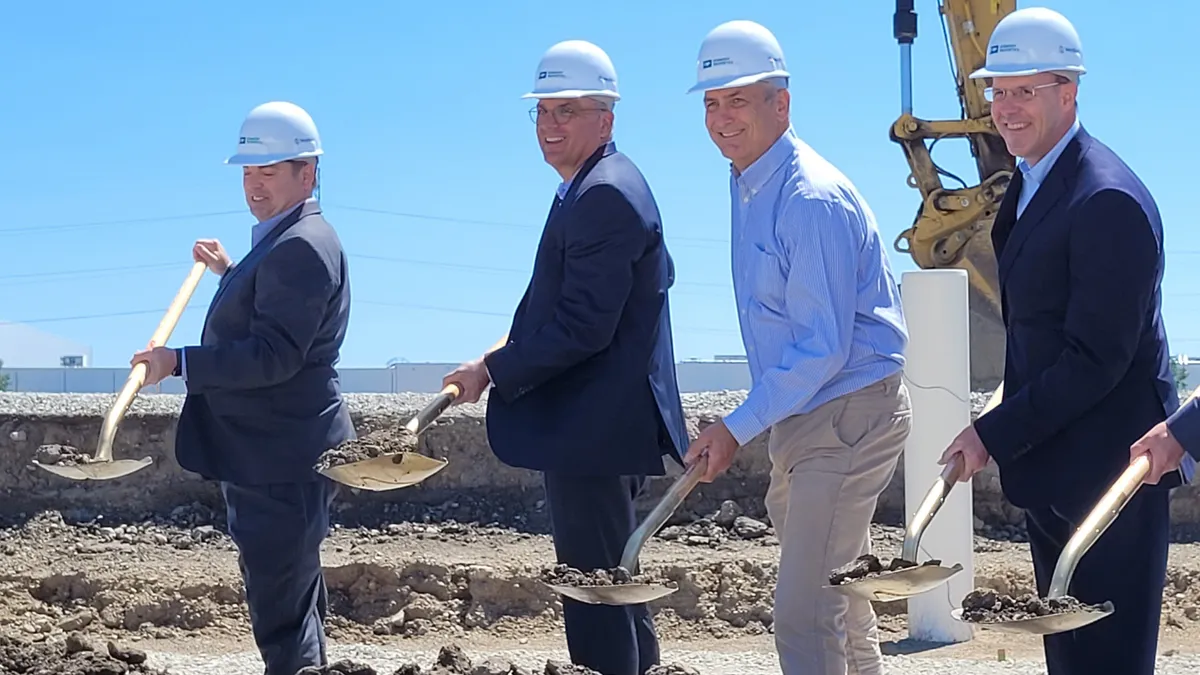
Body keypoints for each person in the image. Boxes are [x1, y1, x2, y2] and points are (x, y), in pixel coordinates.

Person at [935, 8, 1194, 675]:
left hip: (1111, 476)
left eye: (1027, 90)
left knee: (1107, 663)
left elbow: (1095, 359)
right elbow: (1034, 335)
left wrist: (994, 431)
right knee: (1070, 663)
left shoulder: (1108, 199)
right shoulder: (1031, 183)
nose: (1006, 106)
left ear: (1069, 91)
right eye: (999, 89)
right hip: (1055, 471)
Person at [441, 40, 689, 675]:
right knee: (614, 583)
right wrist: (499, 352)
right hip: (602, 425)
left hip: (595, 430)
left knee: (594, 590)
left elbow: (582, 327)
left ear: (605, 118)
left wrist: (496, 369)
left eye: (567, 112)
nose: (550, 126)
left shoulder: (603, 193)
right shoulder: (597, 185)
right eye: (543, 112)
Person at [680, 20, 910, 675]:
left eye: (738, 100)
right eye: (711, 102)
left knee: (805, 617)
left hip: (845, 411)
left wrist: (736, 426)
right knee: (842, 597)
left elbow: (822, 347)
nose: (722, 119)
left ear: (781, 103)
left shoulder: (808, 198)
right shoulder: (750, 180)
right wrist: (753, 419)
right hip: (810, 414)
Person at [131, 100, 354, 675]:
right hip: (281, 453)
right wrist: (232, 272)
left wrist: (177, 361)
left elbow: (275, 354)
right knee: (294, 602)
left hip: (279, 456)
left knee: (282, 616)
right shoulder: (291, 239)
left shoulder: (300, 245)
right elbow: (274, 315)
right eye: (249, 173)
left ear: (307, 172)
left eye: (269, 172)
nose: (254, 186)